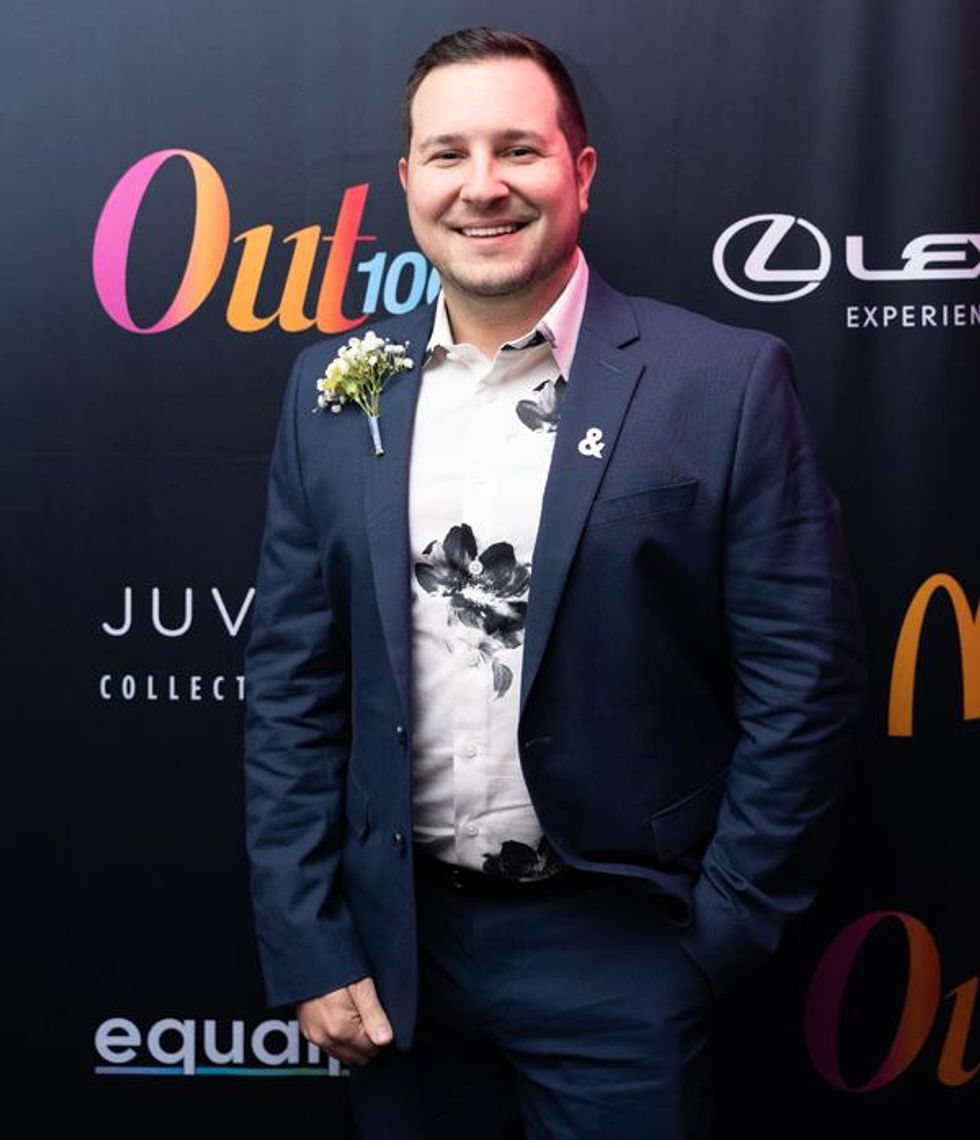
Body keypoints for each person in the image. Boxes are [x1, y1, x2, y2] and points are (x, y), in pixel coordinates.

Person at [244, 26, 866, 1139]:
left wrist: (717, 935)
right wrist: (308, 937)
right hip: (398, 959)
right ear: (406, 181)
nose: (482, 185)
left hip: (623, 952)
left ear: (579, 171)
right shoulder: (331, 390)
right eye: (448, 154)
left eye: (518, 150)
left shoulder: (722, 382)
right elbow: (293, 685)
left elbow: (803, 681)